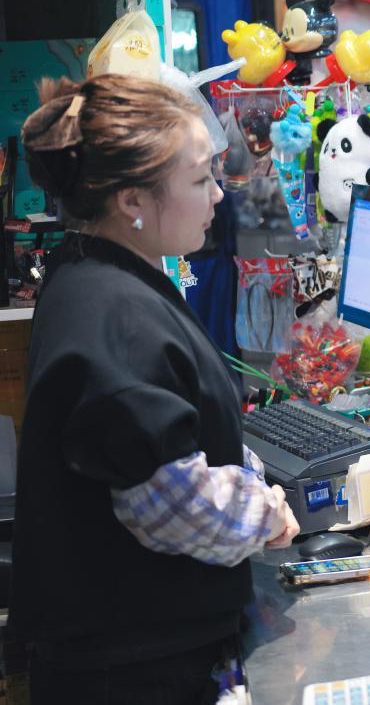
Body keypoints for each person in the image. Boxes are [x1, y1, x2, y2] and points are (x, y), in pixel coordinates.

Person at [11, 76, 300, 704]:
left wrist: (250, 475)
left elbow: (173, 433)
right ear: (133, 199)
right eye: (199, 180)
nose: (218, 194)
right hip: (134, 672)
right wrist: (267, 513)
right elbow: (170, 504)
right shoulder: (112, 313)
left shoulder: (90, 268)